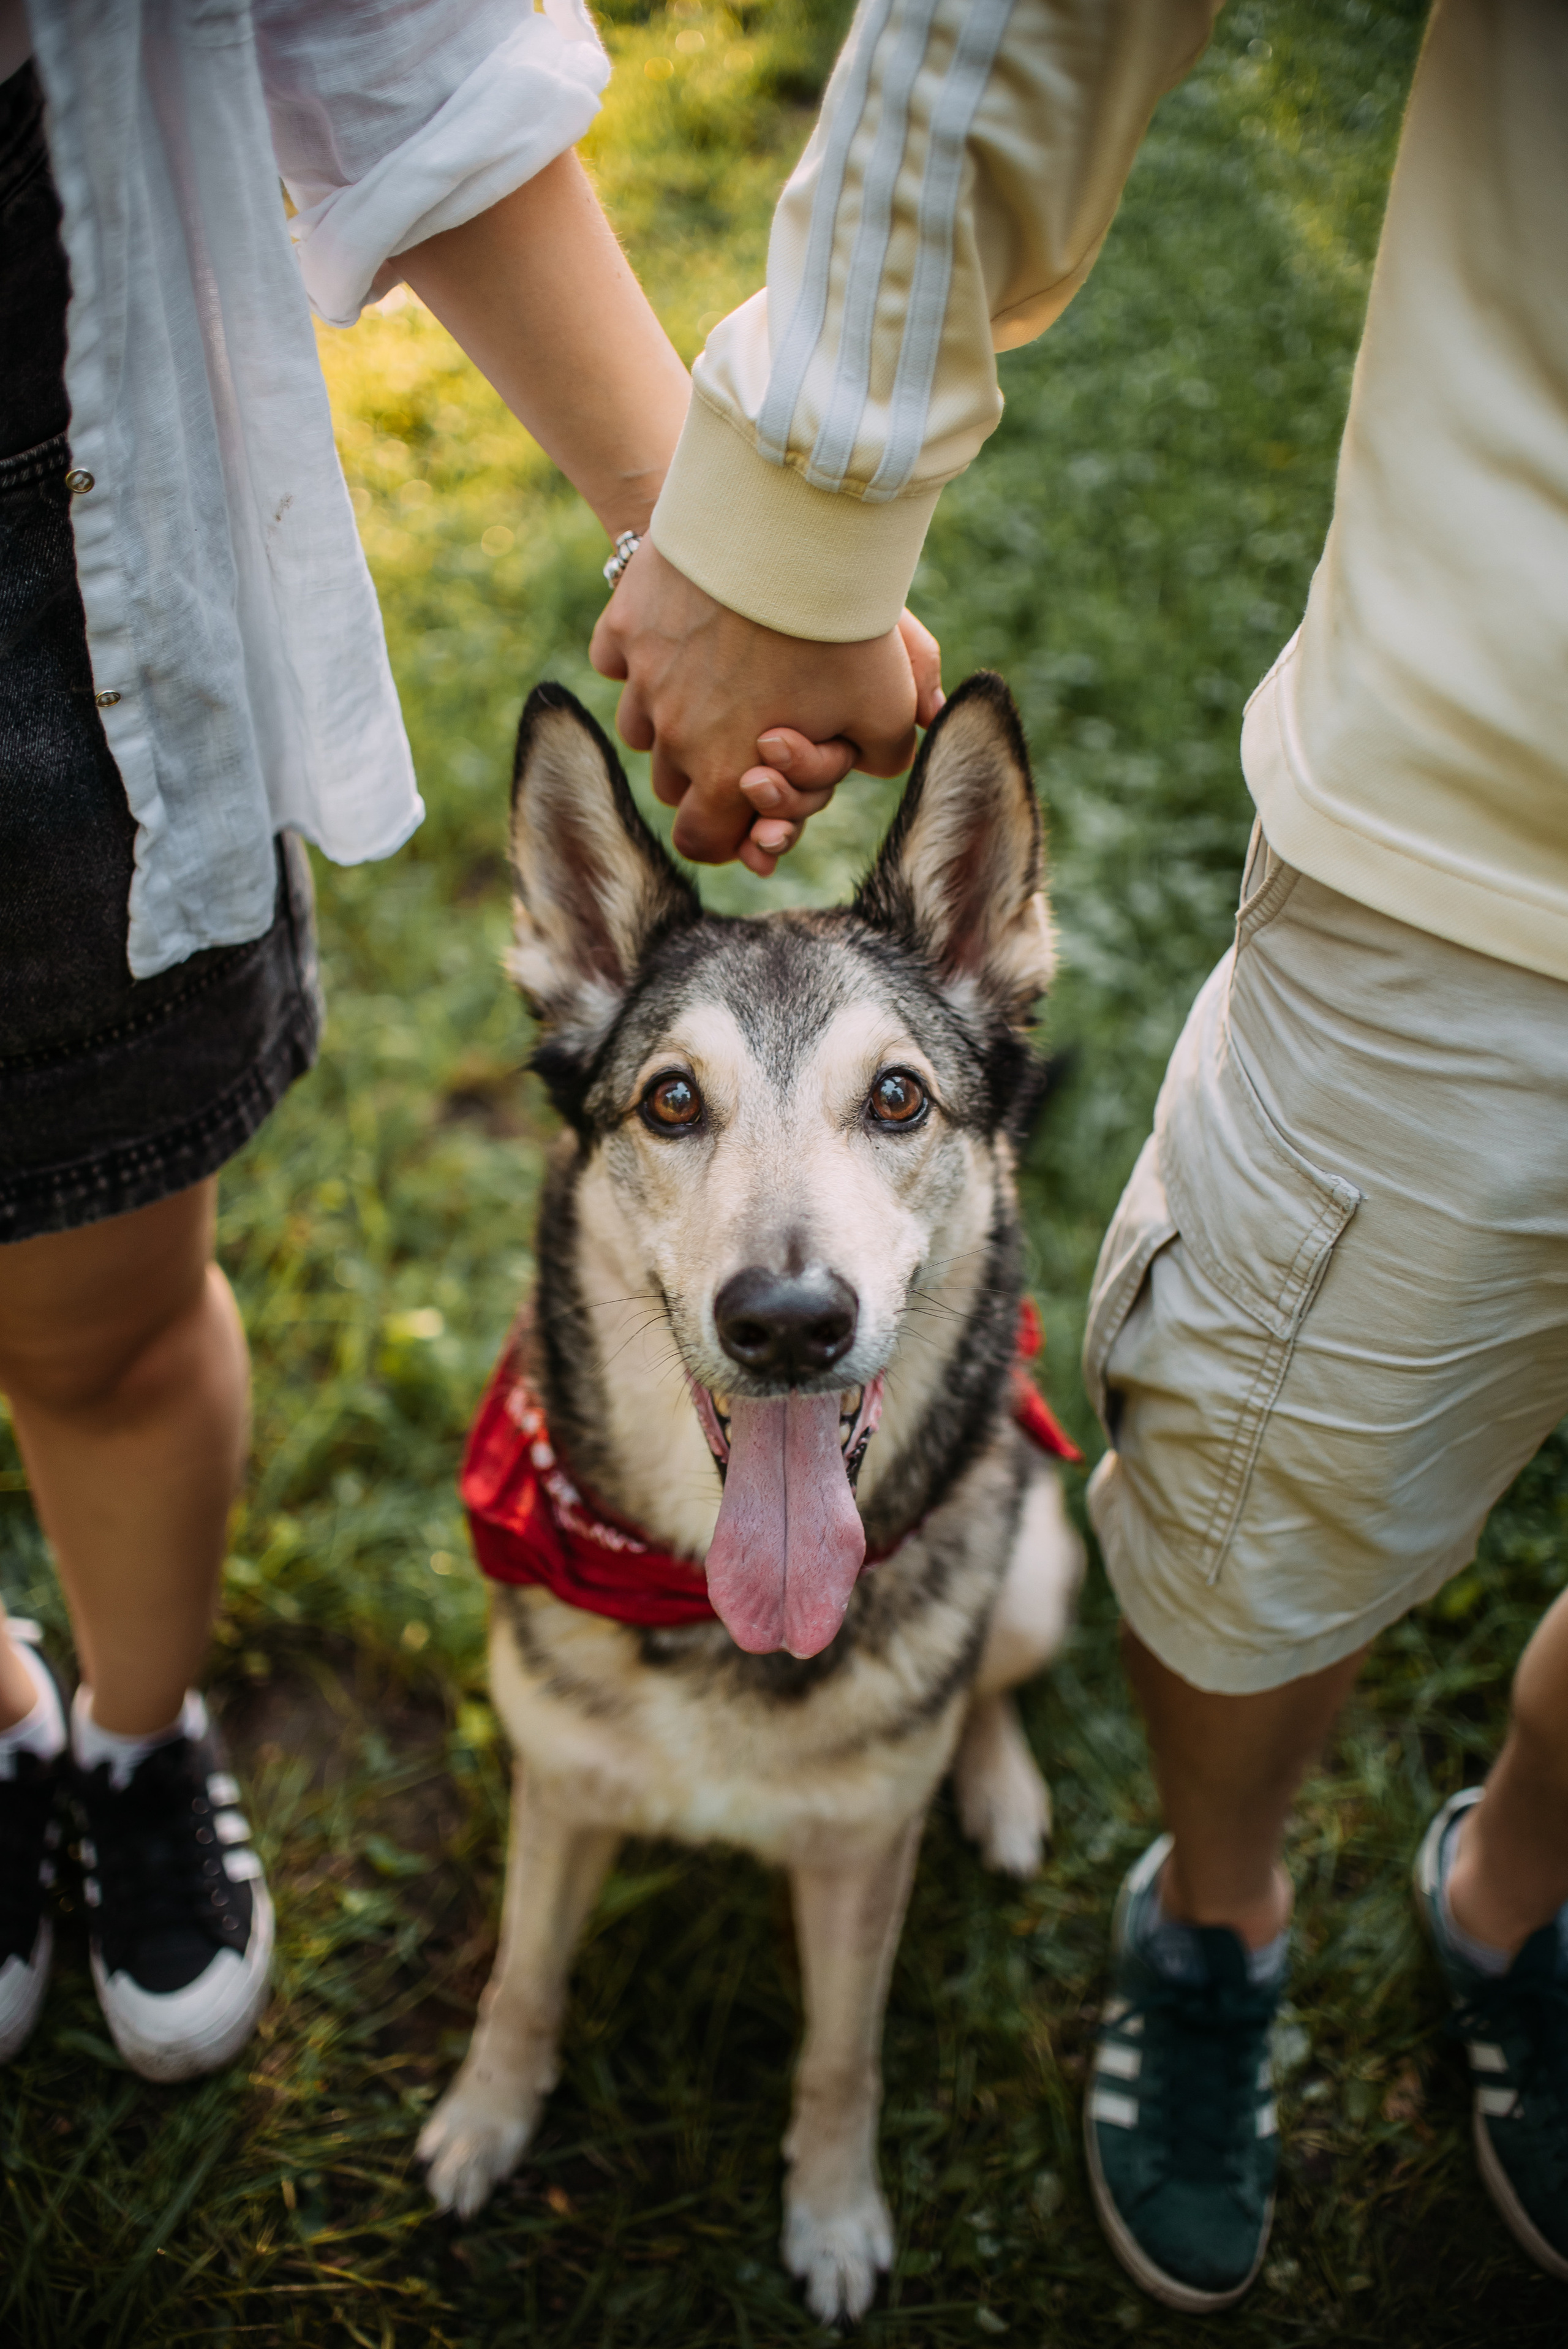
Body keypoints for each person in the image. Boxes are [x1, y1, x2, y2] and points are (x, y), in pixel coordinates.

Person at [601, 0, 1568, 2311]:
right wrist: (799, 521)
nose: (792, 1257)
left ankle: (1518, 1873)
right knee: (1255, 1514)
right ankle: (1220, 1909)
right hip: (1493, 842)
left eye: (896, 1102)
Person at [0, 0, 705, 2082]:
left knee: (105, 1321)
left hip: (58, 546)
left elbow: (406, 37)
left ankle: (130, 1735)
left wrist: (716, 546)